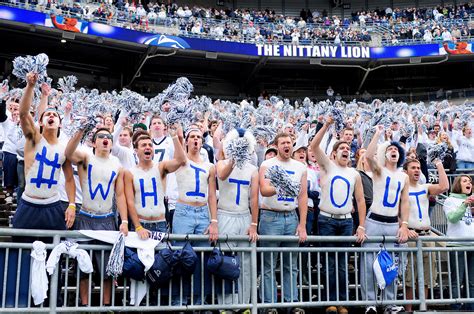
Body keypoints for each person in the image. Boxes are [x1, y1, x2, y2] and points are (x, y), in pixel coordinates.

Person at [65, 127, 128, 306]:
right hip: (85, 217)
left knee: (107, 269)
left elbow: (121, 194)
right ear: (94, 142)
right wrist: (80, 131)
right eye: (100, 137)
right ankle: (84, 305)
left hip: (107, 220)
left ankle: (106, 305)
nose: (105, 139)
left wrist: (123, 220)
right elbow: (68, 153)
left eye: (108, 137)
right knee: (83, 267)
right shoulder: (85, 157)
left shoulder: (117, 164)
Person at [309, 116, 366, 314]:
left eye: (347, 149)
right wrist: (326, 126)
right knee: (330, 263)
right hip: (326, 220)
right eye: (340, 149)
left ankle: (342, 302)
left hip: (346, 222)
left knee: (342, 264)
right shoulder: (327, 166)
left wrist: (361, 226)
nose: (345, 151)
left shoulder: (354, 173)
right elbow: (314, 146)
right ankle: (330, 302)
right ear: (333, 154)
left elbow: (359, 201)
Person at [12, 72, 75, 231]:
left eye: (55, 114)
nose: (51, 115)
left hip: (53, 206)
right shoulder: (33, 139)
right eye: (48, 114)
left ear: (60, 124)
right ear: (40, 121)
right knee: (20, 252)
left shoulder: (64, 148)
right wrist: (30, 86)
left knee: (53, 252)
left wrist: (72, 205)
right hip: (28, 204)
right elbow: (23, 113)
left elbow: (69, 179)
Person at [361, 125, 410, 314]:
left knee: (392, 264)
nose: (394, 151)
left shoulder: (403, 176)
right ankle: (370, 303)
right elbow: (368, 156)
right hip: (373, 221)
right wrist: (377, 133)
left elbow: (404, 202)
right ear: (385, 154)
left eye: (396, 150)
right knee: (368, 263)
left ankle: (389, 303)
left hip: (391, 223)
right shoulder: (379, 170)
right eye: (390, 149)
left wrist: (404, 224)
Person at [258, 132, 307, 314]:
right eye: (283, 143)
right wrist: (282, 186)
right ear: (277, 146)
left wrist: (302, 224)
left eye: (289, 142)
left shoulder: (300, 167)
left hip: (291, 216)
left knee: (291, 265)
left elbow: (303, 196)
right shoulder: (267, 164)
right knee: (269, 264)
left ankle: (291, 303)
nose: (287, 145)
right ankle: (269, 305)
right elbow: (263, 190)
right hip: (271, 217)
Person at [172, 126, 218, 306]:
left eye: (199, 137)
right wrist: (177, 135)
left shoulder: (209, 166)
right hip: (184, 211)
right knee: (181, 256)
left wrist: (213, 221)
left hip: (203, 212)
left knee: (202, 258)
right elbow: (179, 151)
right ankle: (179, 300)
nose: (196, 140)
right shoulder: (181, 160)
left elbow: (212, 194)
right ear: (187, 140)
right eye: (192, 137)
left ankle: (200, 300)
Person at [216, 128, 259, 308]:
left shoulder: (253, 169)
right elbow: (222, 175)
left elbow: (254, 198)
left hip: (244, 216)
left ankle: (244, 304)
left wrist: (254, 224)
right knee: (225, 262)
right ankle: (226, 305)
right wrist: (234, 158)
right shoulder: (222, 163)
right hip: (225, 214)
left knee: (246, 263)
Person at [404, 158, 449, 312]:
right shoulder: (402, 190)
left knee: (428, 276)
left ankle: (423, 308)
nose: (417, 170)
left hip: (427, 234)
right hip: (411, 236)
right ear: (405, 171)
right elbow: (395, 213)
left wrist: (439, 164)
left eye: (418, 168)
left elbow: (444, 186)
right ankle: (408, 309)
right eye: (413, 168)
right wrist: (404, 228)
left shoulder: (425, 187)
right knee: (409, 276)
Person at [124, 124, 185, 235]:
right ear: (136, 150)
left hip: (160, 224)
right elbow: (130, 202)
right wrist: (138, 227)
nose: (148, 147)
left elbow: (181, 160)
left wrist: (174, 137)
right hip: (140, 224)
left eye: (150, 145)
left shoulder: (161, 167)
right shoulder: (130, 172)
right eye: (143, 145)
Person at [443, 175, 474, 311]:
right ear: (458, 184)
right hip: (457, 245)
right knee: (457, 280)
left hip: (472, 245)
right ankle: (455, 308)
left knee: (472, 282)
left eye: (470, 182)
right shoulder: (450, 200)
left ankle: (471, 307)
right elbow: (453, 218)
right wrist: (465, 204)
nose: (469, 183)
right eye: (465, 181)